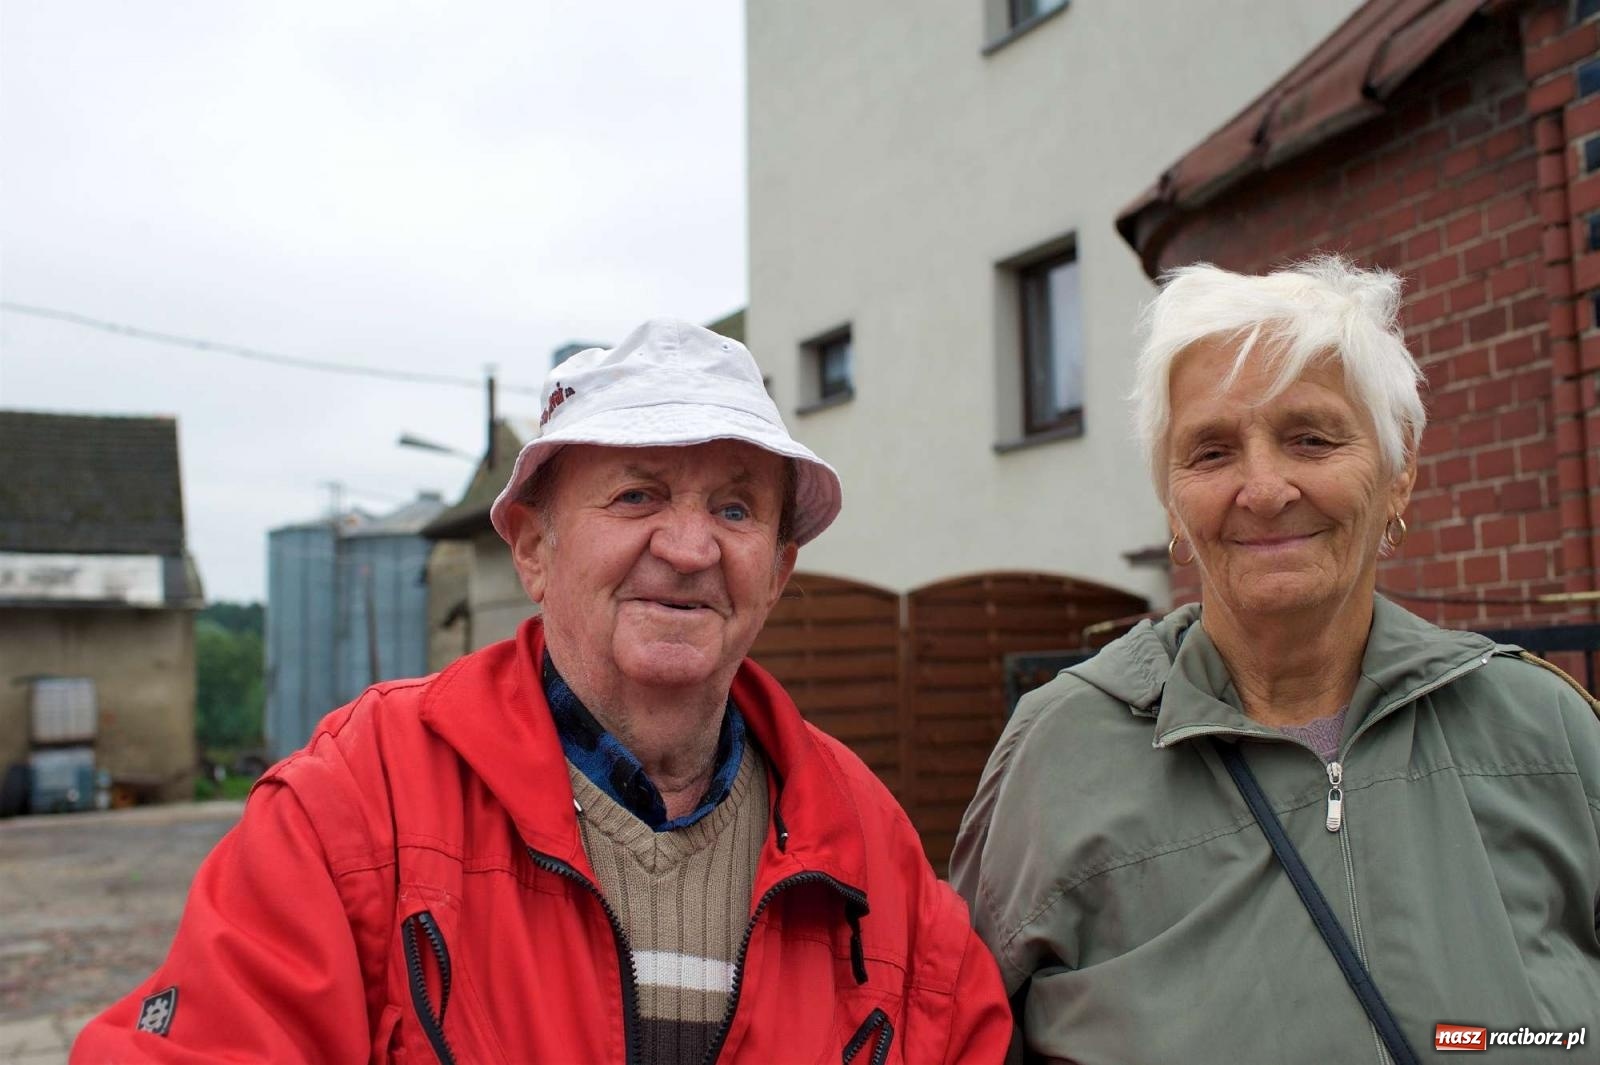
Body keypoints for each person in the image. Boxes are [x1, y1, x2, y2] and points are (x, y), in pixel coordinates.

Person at [76, 319, 1010, 1063]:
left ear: (776, 570)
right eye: (637, 494)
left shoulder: (874, 857)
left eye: (734, 508)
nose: (689, 548)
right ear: (532, 547)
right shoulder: (358, 807)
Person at [951, 259, 1600, 1063]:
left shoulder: (1547, 733)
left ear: (1399, 477)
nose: (1263, 487)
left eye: (1312, 439)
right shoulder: (1056, 755)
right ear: (1173, 507)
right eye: (1213, 451)